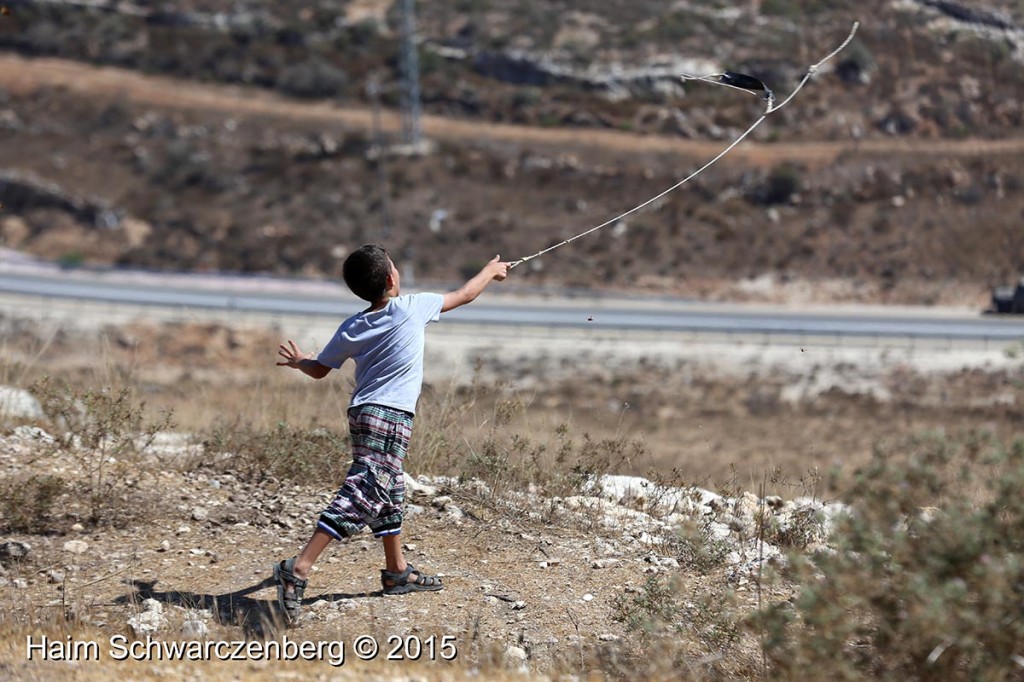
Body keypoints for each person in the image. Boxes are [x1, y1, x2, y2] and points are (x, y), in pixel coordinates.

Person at [272, 244, 510, 623]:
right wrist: (491, 271)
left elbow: (320, 369)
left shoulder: (352, 326)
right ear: (391, 279)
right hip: (390, 416)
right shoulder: (412, 307)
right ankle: (298, 567)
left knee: (390, 488)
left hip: (363, 413)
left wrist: (301, 361)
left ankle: (397, 571)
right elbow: (465, 294)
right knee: (367, 489)